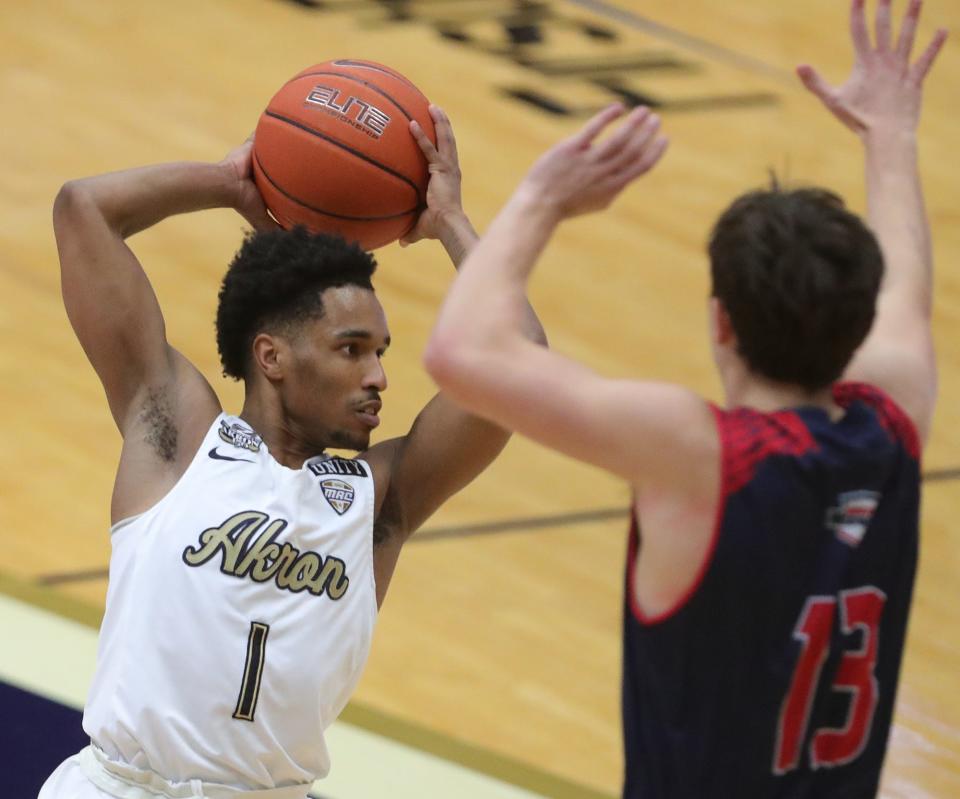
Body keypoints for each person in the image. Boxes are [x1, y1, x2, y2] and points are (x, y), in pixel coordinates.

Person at [424, 0, 947, 795]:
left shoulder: (701, 455)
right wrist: (891, 136)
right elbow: (907, 293)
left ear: (720, 322)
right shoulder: (892, 427)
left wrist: (539, 200)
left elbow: (460, 352)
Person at [40, 106, 544, 798]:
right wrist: (226, 183)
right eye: (351, 349)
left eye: (380, 352)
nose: (378, 376)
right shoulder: (177, 438)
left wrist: (450, 223)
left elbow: (519, 360)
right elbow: (83, 211)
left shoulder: (379, 499)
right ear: (271, 356)